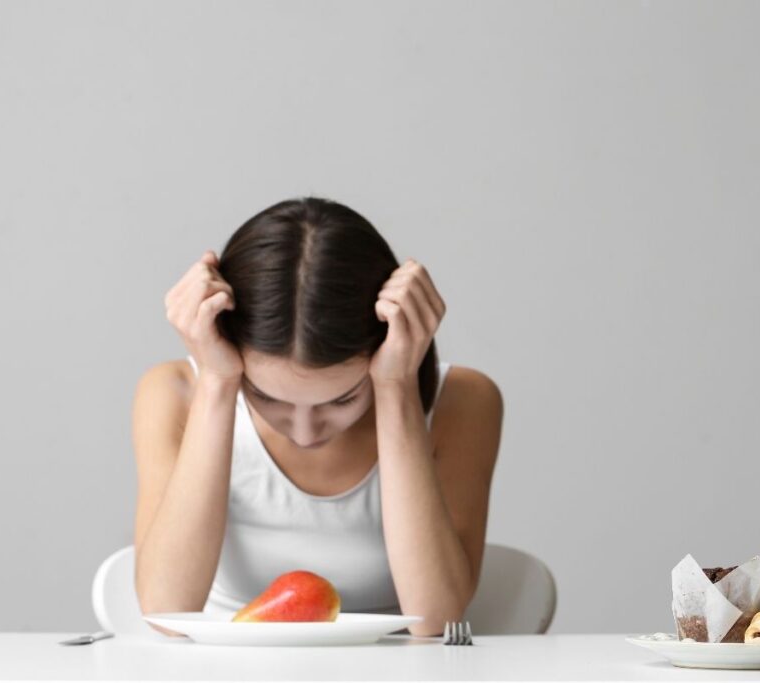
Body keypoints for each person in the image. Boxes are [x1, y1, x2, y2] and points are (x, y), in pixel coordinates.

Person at [132, 196, 503, 638]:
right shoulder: (174, 393)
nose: (305, 432)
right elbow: (167, 614)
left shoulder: (463, 401)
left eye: (342, 399)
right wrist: (217, 383)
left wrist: (396, 387)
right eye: (264, 396)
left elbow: (437, 621)